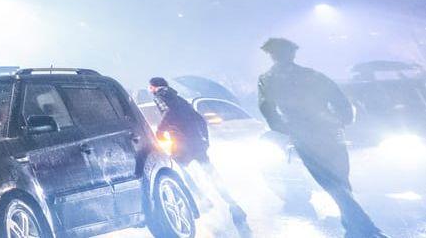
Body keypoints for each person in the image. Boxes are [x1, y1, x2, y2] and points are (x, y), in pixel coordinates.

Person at [258, 37, 388, 238]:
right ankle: (360, 227)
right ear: (292, 54)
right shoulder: (311, 75)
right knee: (339, 178)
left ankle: (359, 227)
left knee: (331, 181)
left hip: (303, 135)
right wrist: (341, 120)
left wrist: (287, 129)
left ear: (271, 55)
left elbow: (267, 110)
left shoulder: (267, 79)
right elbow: (339, 99)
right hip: (328, 131)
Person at [149, 77, 248, 229]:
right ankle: (233, 204)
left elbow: (169, 112)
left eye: (150, 88)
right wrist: (205, 139)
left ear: (154, 87)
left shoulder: (160, 95)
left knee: (178, 169)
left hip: (182, 143)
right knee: (211, 172)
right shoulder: (178, 97)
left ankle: (202, 198)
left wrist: (160, 130)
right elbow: (199, 119)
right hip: (196, 141)